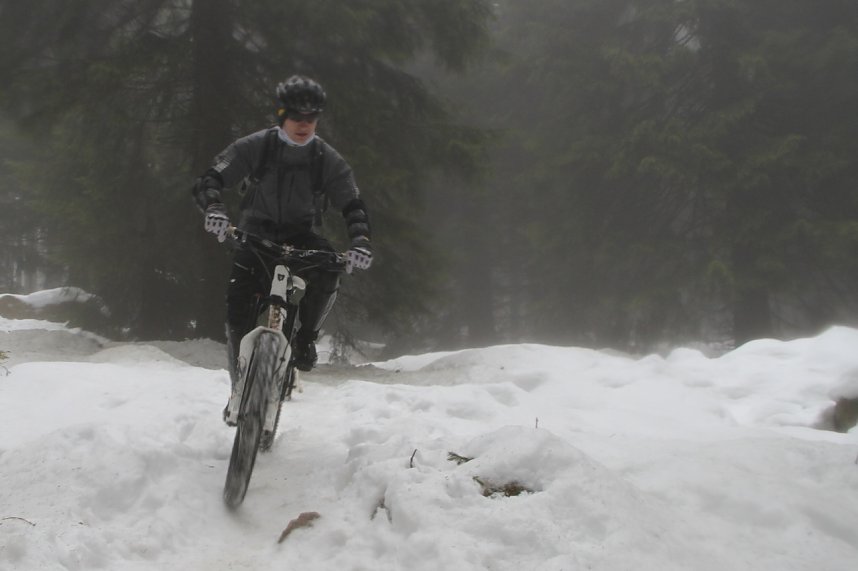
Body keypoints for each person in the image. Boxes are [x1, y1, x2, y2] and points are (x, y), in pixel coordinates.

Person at [192, 75, 372, 390]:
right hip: (255, 234)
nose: (304, 124)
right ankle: (240, 384)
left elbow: (353, 204)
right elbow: (211, 179)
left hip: (301, 236)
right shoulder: (256, 146)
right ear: (281, 116)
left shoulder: (326, 158)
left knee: (330, 272)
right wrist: (215, 210)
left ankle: (305, 340)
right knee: (236, 314)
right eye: (296, 116)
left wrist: (360, 243)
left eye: (311, 117)